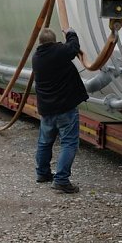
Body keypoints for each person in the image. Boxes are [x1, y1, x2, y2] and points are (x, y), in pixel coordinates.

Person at [32, 27, 88, 194]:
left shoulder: (37, 56)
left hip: (46, 109)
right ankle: (61, 180)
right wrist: (71, 33)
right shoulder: (59, 52)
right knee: (69, 143)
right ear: (54, 42)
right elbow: (73, 46)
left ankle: (42, 174)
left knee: (44, 142)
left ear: (40, 42)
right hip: (65, 108)